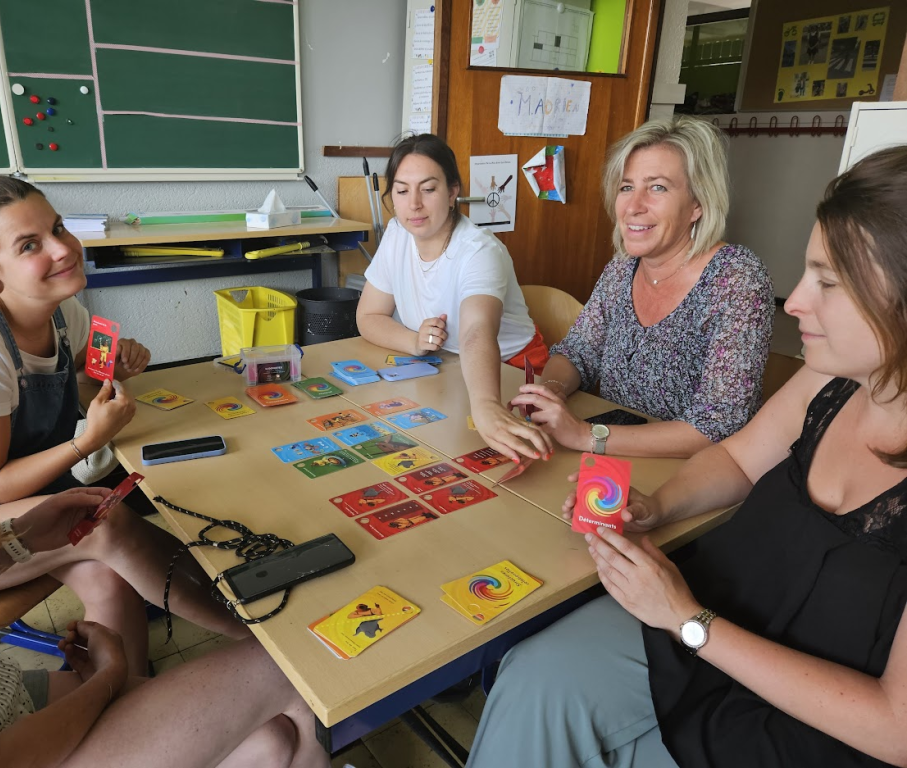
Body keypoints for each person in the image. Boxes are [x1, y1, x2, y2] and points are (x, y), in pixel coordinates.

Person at [0, 150, 328, 767]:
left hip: (2, 677)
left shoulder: (59, 322)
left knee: (273, 738)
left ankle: (173, 674)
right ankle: (252, 627)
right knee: (296, 672)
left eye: (59, 229)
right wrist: (108, 681)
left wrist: (22, 539)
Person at [467, 145, 907, 768]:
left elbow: (896, 729)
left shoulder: (736, 280)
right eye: (627, 186)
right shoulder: (831, 378)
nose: (795, 303)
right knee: (533, 679)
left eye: (828, 283)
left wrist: (686, 618)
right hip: (719, 617)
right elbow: (739, 460)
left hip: (795, 711)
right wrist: (654, 507)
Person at [0, 175, 245, 676]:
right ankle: (257, 635)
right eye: (29, 245)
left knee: (108, 574)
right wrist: (88, 441)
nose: (62, 248)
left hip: (36, 500)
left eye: (57, 228)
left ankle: (126, 692)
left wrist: (113, 365)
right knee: (101, 519)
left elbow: (79, 371)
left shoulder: (65, 313)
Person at [510, 117, 774, 458]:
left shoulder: (737, 278)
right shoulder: (623, 266)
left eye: (657, 187)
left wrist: (587, 436)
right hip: (617, 456)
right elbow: (579, 351)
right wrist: (550, 393)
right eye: (626, 187)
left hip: (695, 469)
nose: (633, 206)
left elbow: (719, 424)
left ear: (698, 203)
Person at [356, 133, 554, 464]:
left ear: (452, 193)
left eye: (428, 189)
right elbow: (368, 316)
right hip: (446, 366)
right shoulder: (397, 234)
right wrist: (414, 341)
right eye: (402, 191)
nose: (414, 204)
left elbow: (477, 330)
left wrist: (487, 404)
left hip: (510, 371)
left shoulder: (479, 250)